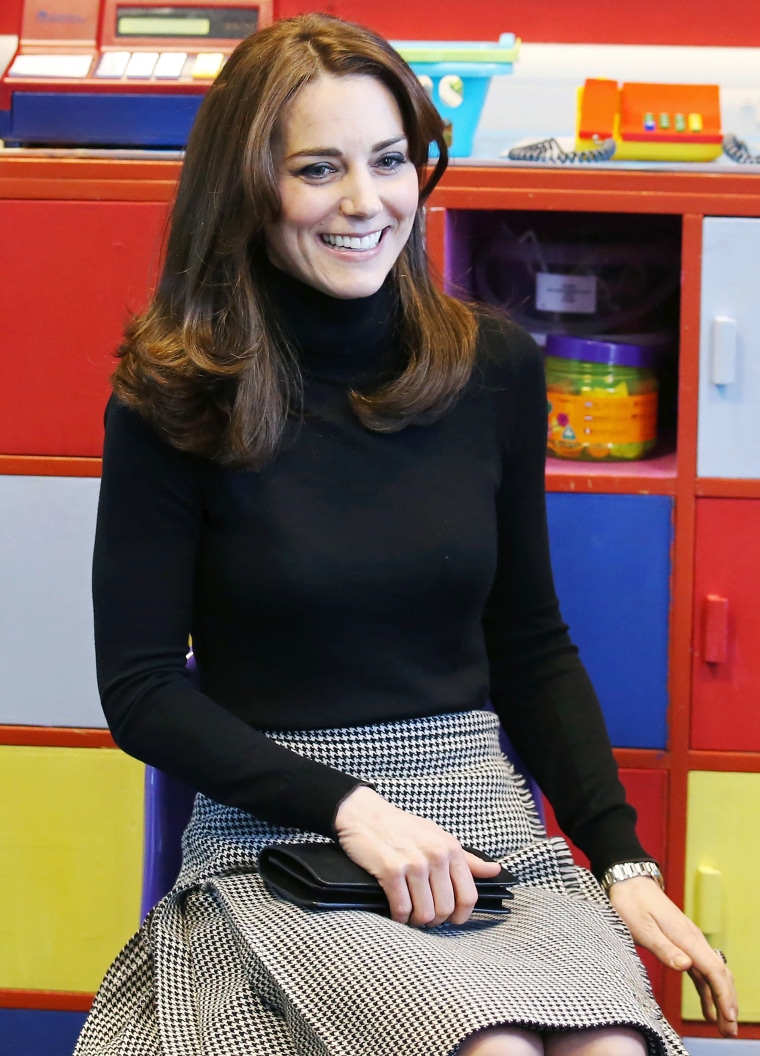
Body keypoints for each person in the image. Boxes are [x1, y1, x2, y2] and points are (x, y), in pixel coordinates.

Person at [75, 13, 737, 1056]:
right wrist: (347, 809)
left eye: (387, 161)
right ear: (248, 190)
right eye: (316, 169)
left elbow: (529, 642)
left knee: (610, 1048)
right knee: (490, 1052)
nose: (363, 202)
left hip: (480, 816)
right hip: (281, 828)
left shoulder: (494, 369)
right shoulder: (176, 398)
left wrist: (622, 861)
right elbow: (143, 687)